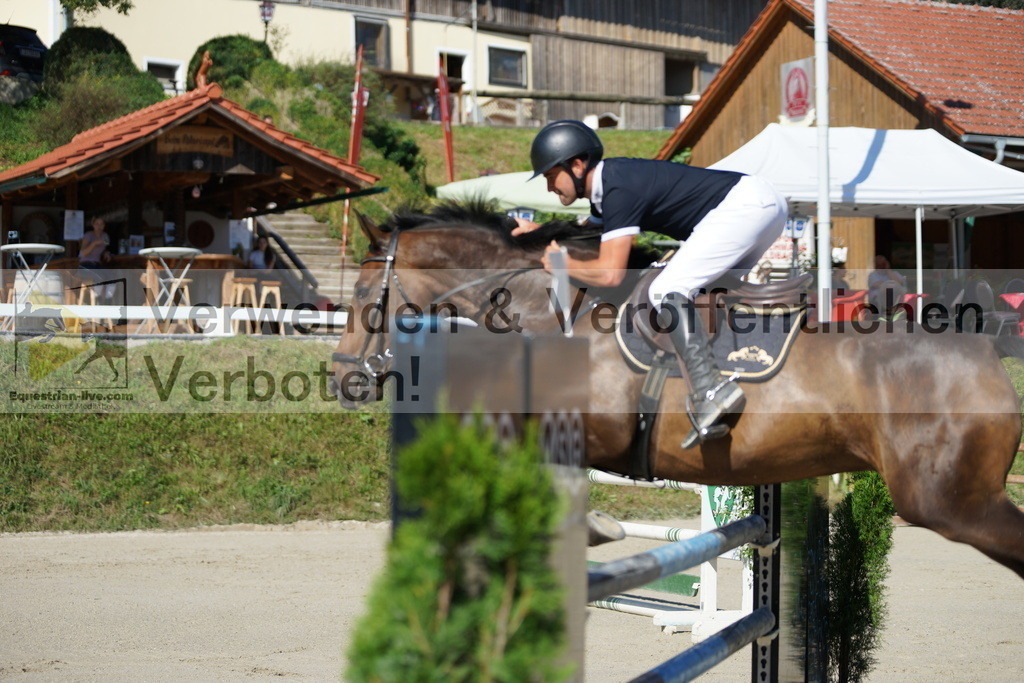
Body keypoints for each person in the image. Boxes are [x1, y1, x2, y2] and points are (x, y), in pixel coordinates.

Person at [512, 120, 787, 446]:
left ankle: (711, 390)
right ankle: (738, 376)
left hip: (747, 207)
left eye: (549, 176)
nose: (548, 187)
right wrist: (539, 231)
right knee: (707, 295)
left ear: (575, 165)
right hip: (759, 205)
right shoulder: (610, 186)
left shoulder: (618, 188)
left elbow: (611, 274)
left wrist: (561, 264)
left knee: (665, 290)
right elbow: (585, 231)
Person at [79, 216, 116, 302]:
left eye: (101, 224)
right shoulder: (88, 235)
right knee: (98, 276)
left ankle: (108, 300)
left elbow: (104, 248)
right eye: (97, 224)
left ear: (104, 225)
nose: (99, 226)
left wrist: (106, 253)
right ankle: (97, 299)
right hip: (85, 265)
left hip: (97, 264)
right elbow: (83, 253)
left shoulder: (105, 236)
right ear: (93, 225)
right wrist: (95, 243)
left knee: (111, 276)